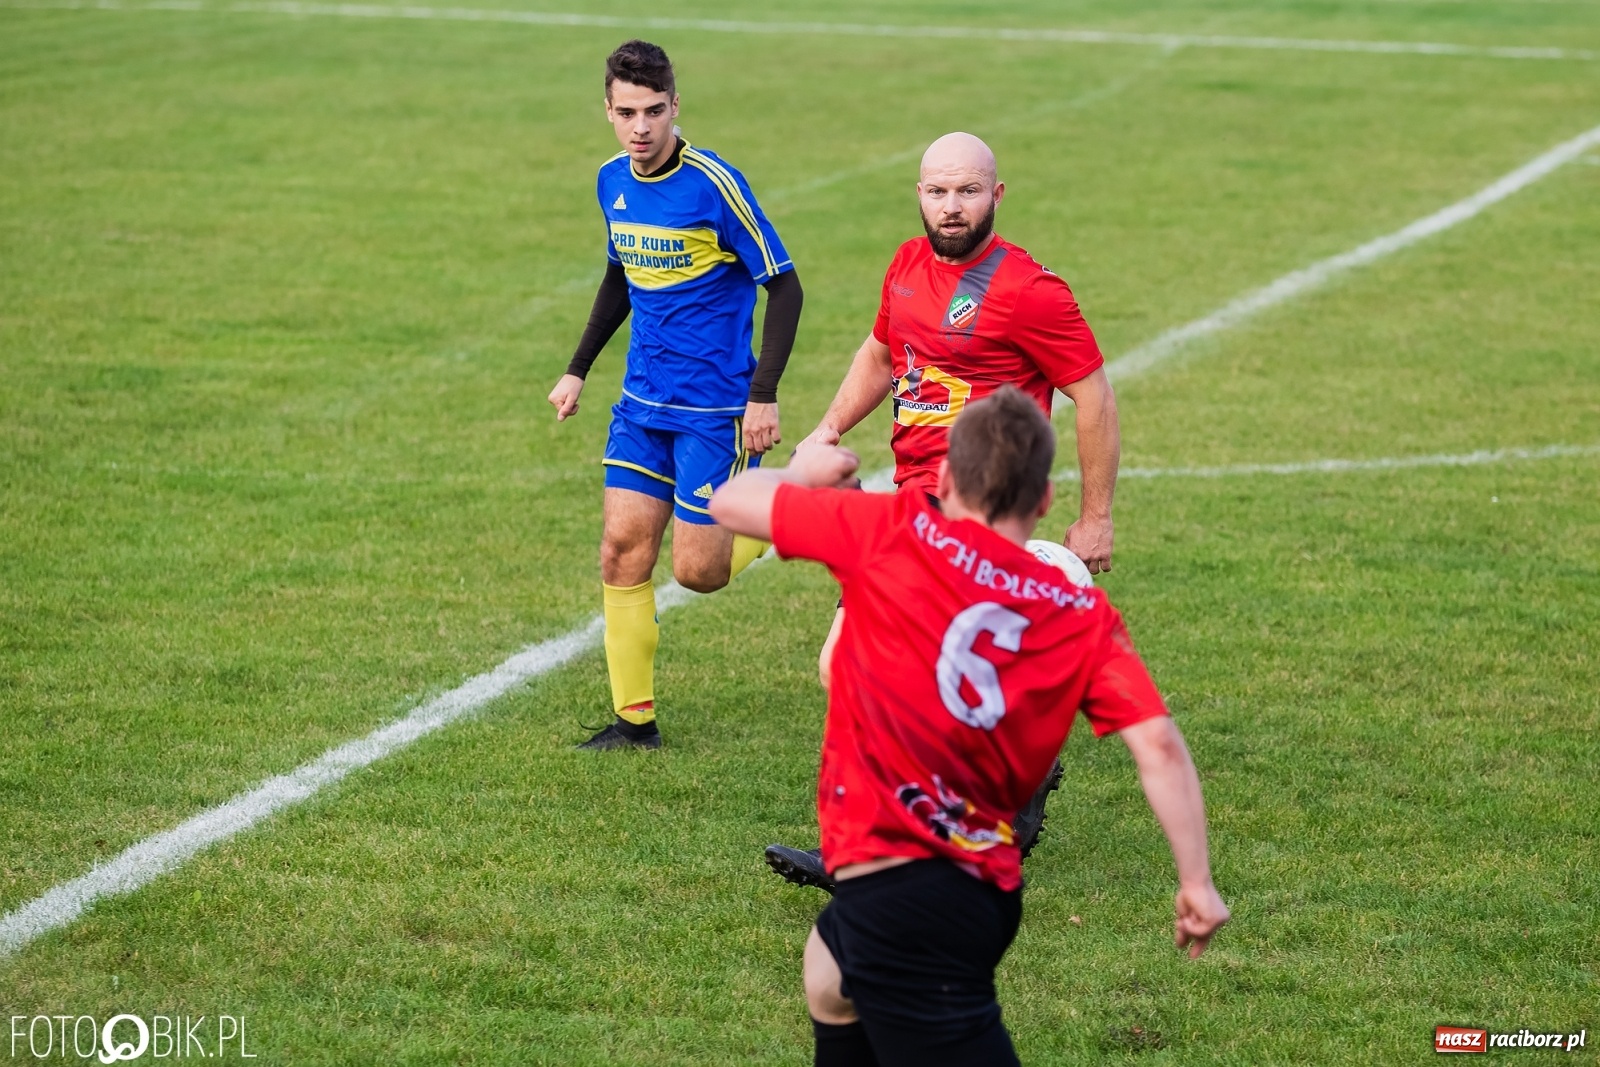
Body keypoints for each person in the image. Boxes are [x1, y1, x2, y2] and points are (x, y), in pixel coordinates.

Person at [710, 388, 1228, 1066]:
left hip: (901, 884)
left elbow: (730, 502)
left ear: (946, 478)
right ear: (1042, 503)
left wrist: (802, 474)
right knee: (829, 976)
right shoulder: (1077, 610)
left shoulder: (893, 528)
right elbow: (1157, 742)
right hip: (978, 885)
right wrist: (1196, 879)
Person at [766, 131, 1118, 886]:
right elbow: (881, 354)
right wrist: (828, 428)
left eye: (966, 191)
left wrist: (1096, 517)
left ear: (997, 195)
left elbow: (1093, 393)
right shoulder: (905, 265)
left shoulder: (1029, 291)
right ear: (918, 195)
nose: (950, 207)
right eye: (936, 191)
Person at [549, 40, 804, 750]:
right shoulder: (610, 181)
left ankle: (791, 507)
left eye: (654, 111)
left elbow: (784, 286)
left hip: (715, 411)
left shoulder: (714, 185)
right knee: (620, 549)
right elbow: (617, 277)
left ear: (675, 107)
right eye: (627, 112)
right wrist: (578, 369)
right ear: (607, 109)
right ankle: (635, 722)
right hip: (640, 404)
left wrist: (763, 395)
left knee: (699, 572)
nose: (641, 127)